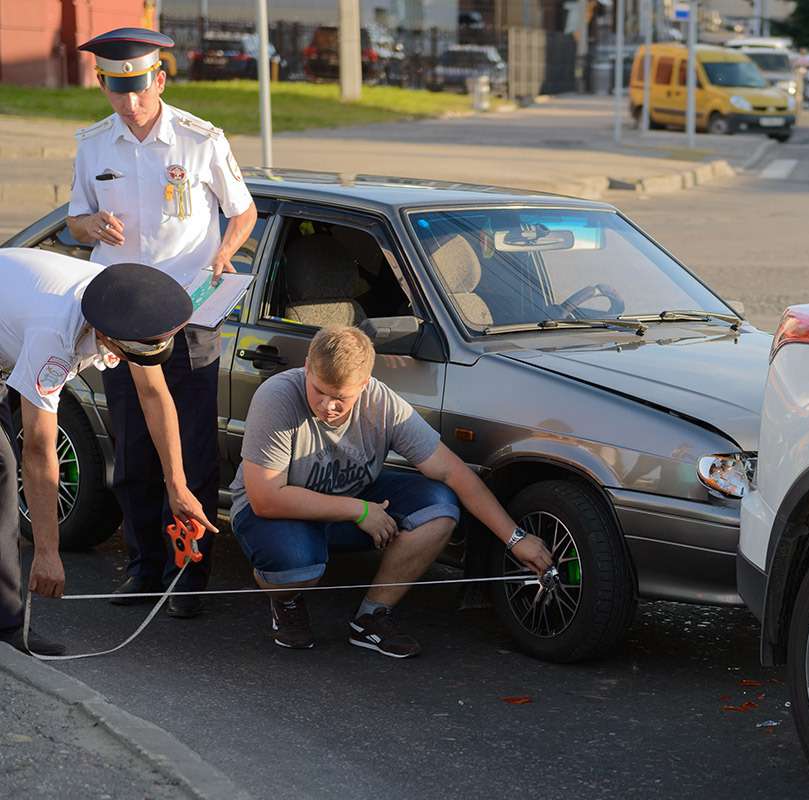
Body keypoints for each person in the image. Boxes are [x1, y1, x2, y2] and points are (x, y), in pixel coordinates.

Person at [67, 28, 257, 618]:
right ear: (102, 84)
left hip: (188, 312)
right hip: (122, 314)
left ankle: (189, 573)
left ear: (161, 79)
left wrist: (225, 251)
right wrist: (91, 227)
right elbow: (75, 219)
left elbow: (244, 211)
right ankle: (144, 566)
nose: (129, 102)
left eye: (140, 88)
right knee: (134, 447)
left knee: (193, 450)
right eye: (116, 89)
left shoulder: (201, 140)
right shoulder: (93, 144)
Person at [229, 326, 554, 658]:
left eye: (341, 398)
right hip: (275, 512)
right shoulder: (277, 396)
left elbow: (452, 471)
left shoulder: (382, 403)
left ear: (364, 385)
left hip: (350, 501)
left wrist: (515, 538)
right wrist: (359, 510)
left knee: (440, 509)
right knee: (296, 566)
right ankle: (286, 599)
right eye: (319, 391)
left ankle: (371, 617)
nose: (328, 406)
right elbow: (266, 499)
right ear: (307, 367)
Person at [0, 251, 218, 655]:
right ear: (105, 337)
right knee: (4, 464)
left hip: (10, 331)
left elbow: (154, 396)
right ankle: (9, 621)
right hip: (18, 332)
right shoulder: (54, 338)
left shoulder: (124, 309)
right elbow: (39, 449)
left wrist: (178, 485)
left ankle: (7, 624)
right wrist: (47, 552)